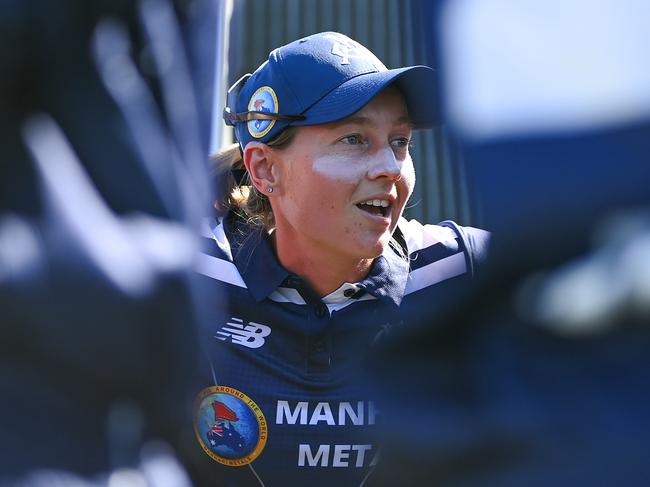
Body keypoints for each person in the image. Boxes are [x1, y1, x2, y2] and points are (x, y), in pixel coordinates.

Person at [187, 31, 489, 486]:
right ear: (266, 169)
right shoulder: (186, 280)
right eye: (354, 139)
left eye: (400, 140)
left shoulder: (465, 272)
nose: (390, 165)